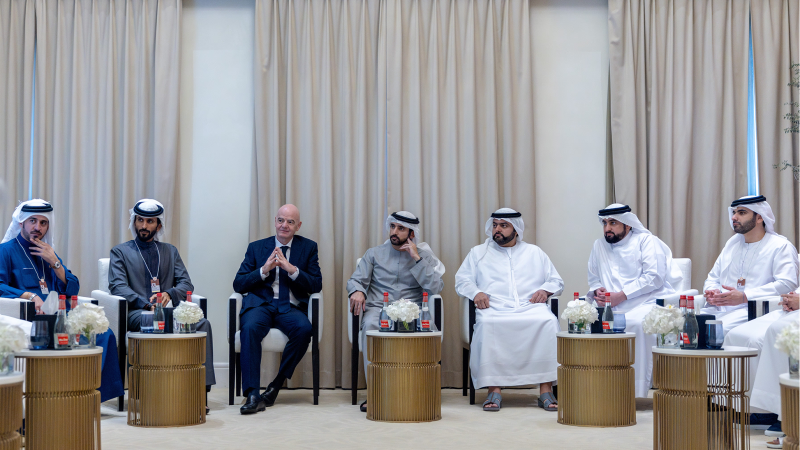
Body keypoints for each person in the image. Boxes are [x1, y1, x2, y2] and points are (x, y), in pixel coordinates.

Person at [0, 199, 124, 402]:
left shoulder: (48, 251)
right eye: (32, 221)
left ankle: (91, 394)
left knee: (103, 334)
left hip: (60, 314)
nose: (37, 227)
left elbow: (73, 288)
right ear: (21, 222)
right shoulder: (5, 251)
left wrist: (55, 262)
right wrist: (29, 296)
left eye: (43, 223)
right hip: (32, 318)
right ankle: (71, 394)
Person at [455, 208, 564, 412]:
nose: (497, 229)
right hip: (493, 308)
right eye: (495, 225)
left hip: (529, 307)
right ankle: (494, 390)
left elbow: (556, 280)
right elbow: (462, 280)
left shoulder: (534, 252)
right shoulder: (478, 253)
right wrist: (476, 292)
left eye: (504, 226)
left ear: (516, 229)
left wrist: (545, 290)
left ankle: (545, 391)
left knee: (548, 322)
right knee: (487, 325)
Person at [108, 199, 216, 401]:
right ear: (134, 222)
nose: (143, 226)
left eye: (149, 222)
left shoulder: (170, 251)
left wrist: (169, 293)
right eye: (140, 220)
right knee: (152, 320)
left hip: (168, 311)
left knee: (202, 324)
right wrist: (145, 304)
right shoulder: (120, 251)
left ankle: (199, 391)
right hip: (138, 313)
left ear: (158, 225)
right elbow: (117, 286)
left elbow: (186, 284)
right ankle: (150, 393)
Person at [347, 211, 445, 412]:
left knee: (427, 330)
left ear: (411, 233)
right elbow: (357, 279)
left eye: (401, 228)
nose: (394, 232)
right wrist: (357, 290)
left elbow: (435, 287)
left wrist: (416, 258)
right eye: (393, 227)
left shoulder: (424, 257)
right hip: (379, 308)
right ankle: (375, 392)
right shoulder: (374, 254)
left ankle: (422, 390)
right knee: (371, 327)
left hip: (414, 310)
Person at [233, 204, 322, 414]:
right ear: (275, 221)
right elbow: (239, 284)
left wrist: (292, 270)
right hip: (261, 304)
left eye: (290, 222)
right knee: (250, 328)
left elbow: (316, 285)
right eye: (281, 220)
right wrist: (264, 270)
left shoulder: (308, 248)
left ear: (298, 226)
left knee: (304, 330)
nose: (284, 225)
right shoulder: (256, 247)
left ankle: (275, 386)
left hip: (289, 306)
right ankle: (253, 394)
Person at [587, 203, 680, 398]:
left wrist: (621, 295)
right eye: (605, 223)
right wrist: (598, 290)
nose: (607, 228)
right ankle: (598, 388)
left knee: (634, 324)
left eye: (613, 223)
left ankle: (632, 390)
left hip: (647, 302)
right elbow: (593, 276)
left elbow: (654, 277)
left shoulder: (646, 241)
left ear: (628, 225)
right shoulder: (599, 245)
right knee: (587, 324)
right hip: (610, 305)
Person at [701, 195, 798, 333]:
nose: (734, 217)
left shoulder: (780, 246)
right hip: (719, 308)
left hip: (752, 310)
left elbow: (787, 284)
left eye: (742, 213)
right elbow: (713, 277)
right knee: (689, 326)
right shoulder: (732, 244)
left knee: (716, 330)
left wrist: (744, 296)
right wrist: (713, 291)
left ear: (760, 218)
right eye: (734, 212)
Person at [725, 290, 799, 443]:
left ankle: (783, 413)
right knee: (737, 334)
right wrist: (790, 298)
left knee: (778, 331)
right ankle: (755, 408)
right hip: (790, 310)